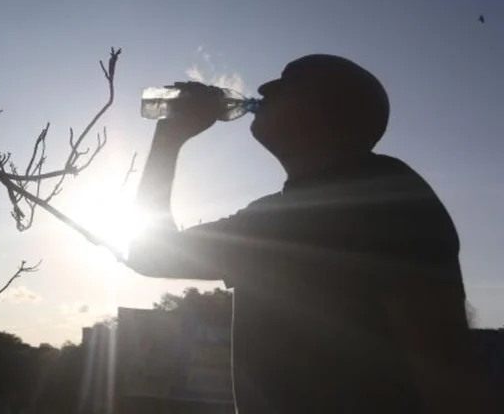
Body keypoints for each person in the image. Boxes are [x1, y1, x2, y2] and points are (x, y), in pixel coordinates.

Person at [127, 54, 495, 413]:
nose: (265, 86)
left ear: (329, 109)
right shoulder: (278, 215)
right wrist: (169, 135)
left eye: (288, 81)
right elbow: (151, 255)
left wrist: (169, 138)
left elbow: (443, 366)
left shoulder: (378, 198)